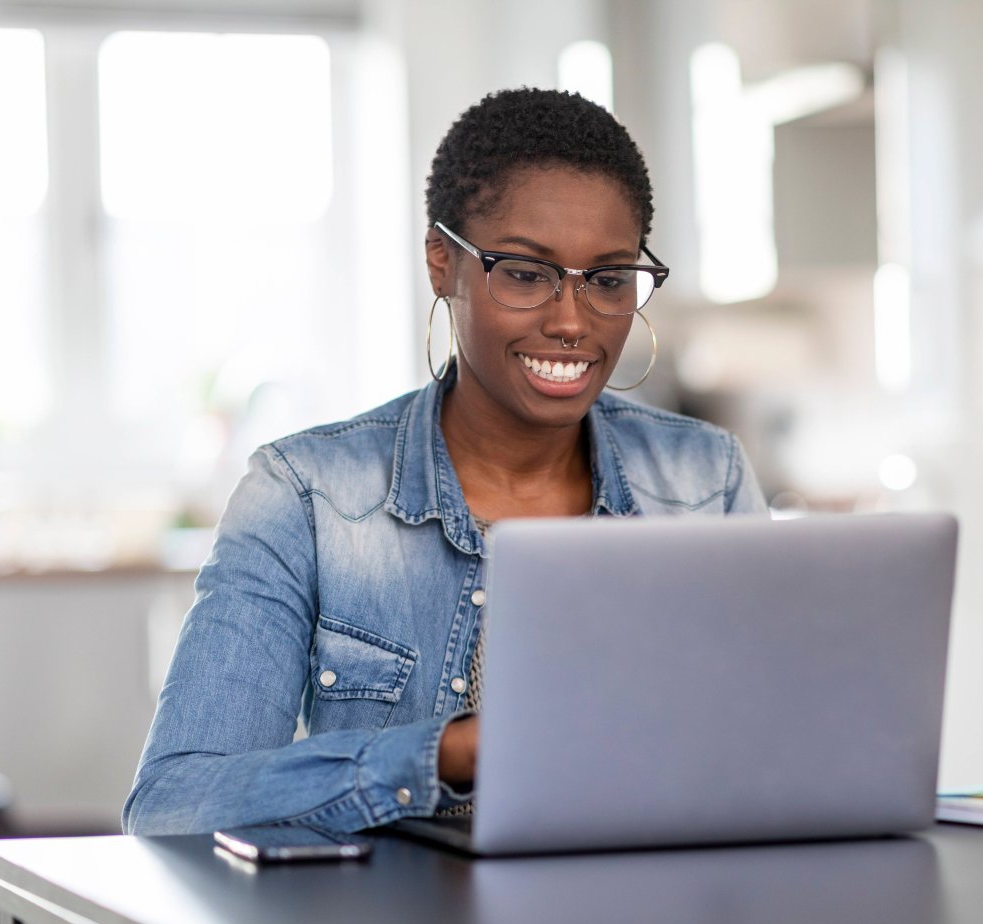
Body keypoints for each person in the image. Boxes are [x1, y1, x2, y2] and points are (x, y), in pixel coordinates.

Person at [123, 88, 767, 836]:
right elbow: (176, 801)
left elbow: (776, 752)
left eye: (609, 278)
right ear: (442, 263)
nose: (571, 320)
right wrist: (452, 753)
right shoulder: (308, 496)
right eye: (525, 273)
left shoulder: (704, 478)